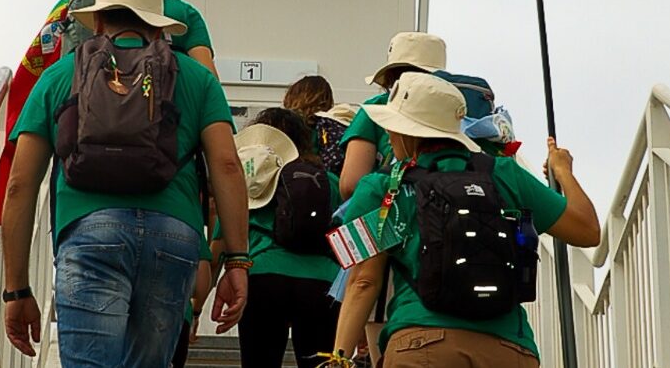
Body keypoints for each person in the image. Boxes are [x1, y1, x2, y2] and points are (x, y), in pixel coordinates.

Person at [1, 0, 249, 368]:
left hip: (88, 234)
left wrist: (16, 290)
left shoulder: (58, 77)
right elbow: (226, 165)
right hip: (174, 237)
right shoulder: (198, 78)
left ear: (97, 22)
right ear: (158, 28)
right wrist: (236, 261)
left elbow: (19, 184)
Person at [325, 73, 601, 368]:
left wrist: (339, 358)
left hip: (422, 342)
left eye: (392, 126)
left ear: (409, 132)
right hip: (510, 350)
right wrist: (563, 172)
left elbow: (364, 282)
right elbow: (587, 231)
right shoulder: (506, 174)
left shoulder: (383, 188)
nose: (389, 136)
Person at [0, 0, 216, 225]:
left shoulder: (67, 11)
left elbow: (36, 79)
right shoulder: (178, 11)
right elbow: (209, 87)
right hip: (169, 185)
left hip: (83, 190)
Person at [213, 108, 342, 368]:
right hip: (322, 284)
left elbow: (220, 243)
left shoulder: (247, 182)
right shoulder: (329, 181)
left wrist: (197, 305)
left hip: (262, 277)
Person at [338, 32, 447, 200]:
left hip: (386, 213)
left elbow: (350, 185)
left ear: (391, 75)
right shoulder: (450, 109)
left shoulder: (374, 109)